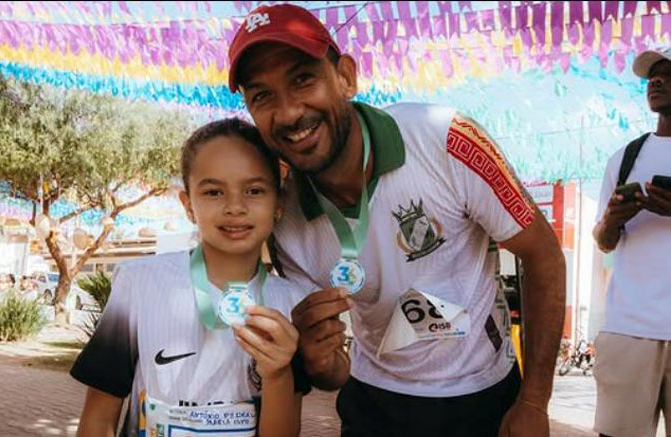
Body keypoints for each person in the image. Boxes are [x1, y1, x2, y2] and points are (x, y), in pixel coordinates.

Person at [227, 4, 566, 436]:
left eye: (302, 79)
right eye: (262, 96)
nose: (290, 113)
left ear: (346, 77)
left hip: (483, 396)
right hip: (374, 402)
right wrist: (320, 360)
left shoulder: (444, 137)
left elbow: (544, 256)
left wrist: (534, 401)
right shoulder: (283, 220)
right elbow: (333, 373)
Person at [71, 118, 308, 437]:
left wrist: (278, 374)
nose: (234, 207)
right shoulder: (139, 283)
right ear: (188, 205)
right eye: (213, 192)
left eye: (254, 190)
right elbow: (98, 420)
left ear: (278, 203)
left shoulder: (293, 304)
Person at [592, 48, 671, 437]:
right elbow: (604, 241)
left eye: (668, 74)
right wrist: (611, 219)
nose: (656, 81)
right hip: (628, 329)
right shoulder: (624, 159)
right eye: (653, 77)